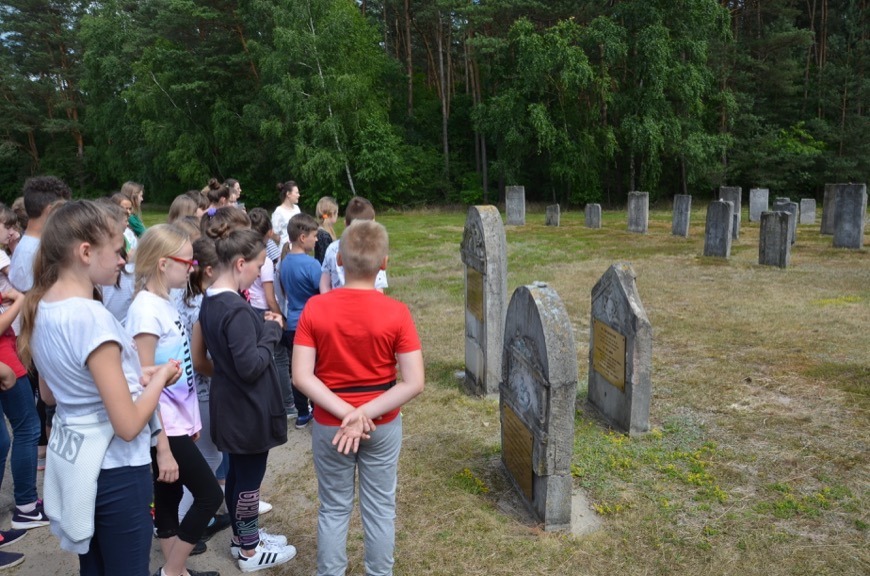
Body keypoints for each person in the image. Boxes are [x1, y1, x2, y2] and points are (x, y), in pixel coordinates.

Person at [17, 200, 180, 576]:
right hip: (117, 471)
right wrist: (157, 380)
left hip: (80, 465)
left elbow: (51, 394)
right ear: (86, 251)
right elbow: (127, 425)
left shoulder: (41, 307)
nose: (123, 260)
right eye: (117, 249)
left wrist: (133, 379)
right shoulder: (92, 318)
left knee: (94, 567)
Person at [292, 220, 424, 576]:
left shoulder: (315, 309)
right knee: (380, 508)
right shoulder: (397, 313)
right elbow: (413, 381)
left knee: (334, 508)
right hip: (381, 422)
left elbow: (301, 375)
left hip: (330, 424)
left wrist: (348, 414)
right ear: (384, 263)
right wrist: (362, 413)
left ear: (338, 261)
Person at [126, 224, 222, 576]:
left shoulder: (162, 302)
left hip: (176, 422)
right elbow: (143, 383)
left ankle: (176, 572)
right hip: (162, 427)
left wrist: (191, 420)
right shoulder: (144, 312)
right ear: (164, 264)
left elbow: (176, 366)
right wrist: (163, 444)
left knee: (168, 497)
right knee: (210, 495)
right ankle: (171, 571)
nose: (192, 267)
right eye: (187, 260)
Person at [199, 229, 296, 573]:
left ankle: (244, 537)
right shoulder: (235, 309)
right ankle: (250, 552)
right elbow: (251, 366)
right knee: (249, 482)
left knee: (239, 477)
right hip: (248, 410)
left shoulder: (211, 299)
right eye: (258, 266)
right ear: (240, 263)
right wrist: (271, 331)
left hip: (231, 405)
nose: (260, 273)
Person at [9, 176, 71, 481]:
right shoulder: (37, 252)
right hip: (40, 342)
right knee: (49, 410)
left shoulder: (26, 246)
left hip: (33, 340)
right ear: (50, 210)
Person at [0, 203, 43, 569]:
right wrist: (22, 301)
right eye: (5, 226)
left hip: (8, 353)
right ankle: (27, 505)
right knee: (27, 426)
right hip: (4, 355)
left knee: (8, 437)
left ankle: (26, 506)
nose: (10, 233)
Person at [279, 214, 322, 429]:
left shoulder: (284, 263)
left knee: (298, 370)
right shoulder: (312, 264)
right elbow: (323, 293)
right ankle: (318, 407)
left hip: (293, 324)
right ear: (303, 237)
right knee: (316, 369)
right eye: (314, 236)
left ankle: (302, 413)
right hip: (312, 323)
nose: (317, 240)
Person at [319, 196, 388, 294]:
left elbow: (324, 283)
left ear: (345, 224)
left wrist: (328, 304)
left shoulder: (332, 248)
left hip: (335, 305)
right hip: (367, 306)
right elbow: (378, 289)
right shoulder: (375, 249)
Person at [270, 181, 300, 252]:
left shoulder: (297, 208)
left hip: (298, 246)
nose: (298, 195)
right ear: (288, 194)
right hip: (285, 250)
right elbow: (273, 233)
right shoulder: (279, 212)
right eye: (296, 193)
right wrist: (282, 241)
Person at [313, 197, 338, 265]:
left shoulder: (325, 231)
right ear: (332, 214)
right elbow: (324, 259)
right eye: (336, 213)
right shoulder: (323, 235)